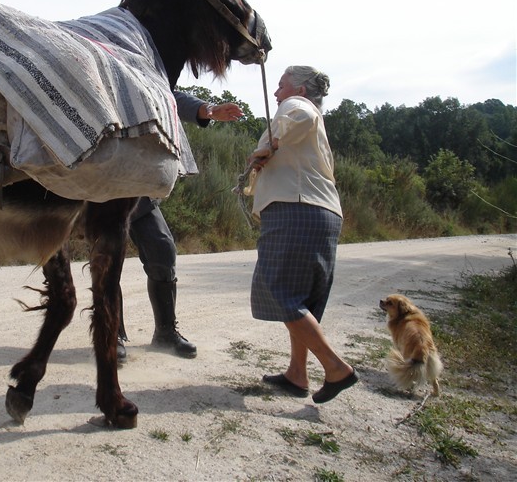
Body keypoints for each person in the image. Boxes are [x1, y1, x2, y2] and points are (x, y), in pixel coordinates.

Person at [247, 65, 358, 403]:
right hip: (319, 210)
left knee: (278, 290)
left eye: (281, 86)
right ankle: (298, 373)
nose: (276, 93)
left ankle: (336, 368)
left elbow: (293, 118)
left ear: (299, 90)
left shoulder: (298, 106)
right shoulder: (307, 118)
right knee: (302, 298)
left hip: (296, 207)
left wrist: (268, 146)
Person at [117, 91, 244, 362]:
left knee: (163, 251)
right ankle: (109, 334)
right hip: (101, 186)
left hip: (138, 184)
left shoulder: (135, 62)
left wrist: (207, 109)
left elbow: (165, 93)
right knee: (107, 261)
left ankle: (165, 333)